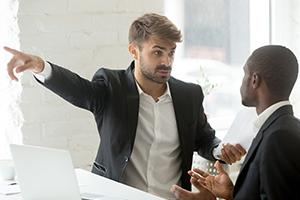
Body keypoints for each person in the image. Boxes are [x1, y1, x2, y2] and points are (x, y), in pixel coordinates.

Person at [4, 13, 245, 199]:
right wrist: (40, 66)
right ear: (134, 51)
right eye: (157, 52)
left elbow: (204, 139)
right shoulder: (111, 86)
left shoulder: (189, 94)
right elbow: (79, 90)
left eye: (171, 52)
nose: (166, 61)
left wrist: (219, 149)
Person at [174, 45, 300, 199]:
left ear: (254, 80)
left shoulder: (278, 136)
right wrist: (232, 194)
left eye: (244, 74)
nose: (241, 83)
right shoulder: (282, 127)